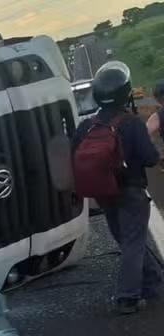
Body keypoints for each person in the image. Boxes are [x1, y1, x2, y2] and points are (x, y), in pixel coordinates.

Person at [73, 62, 162, 314]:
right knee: (133, 240)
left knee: (127, 239)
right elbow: (149, 158)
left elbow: (73, 156)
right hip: (131, 190)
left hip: (103, 192)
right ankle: (127, 297)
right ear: (126, 92)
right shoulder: (131, 122)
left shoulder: (86, 125)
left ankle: (154, 281)